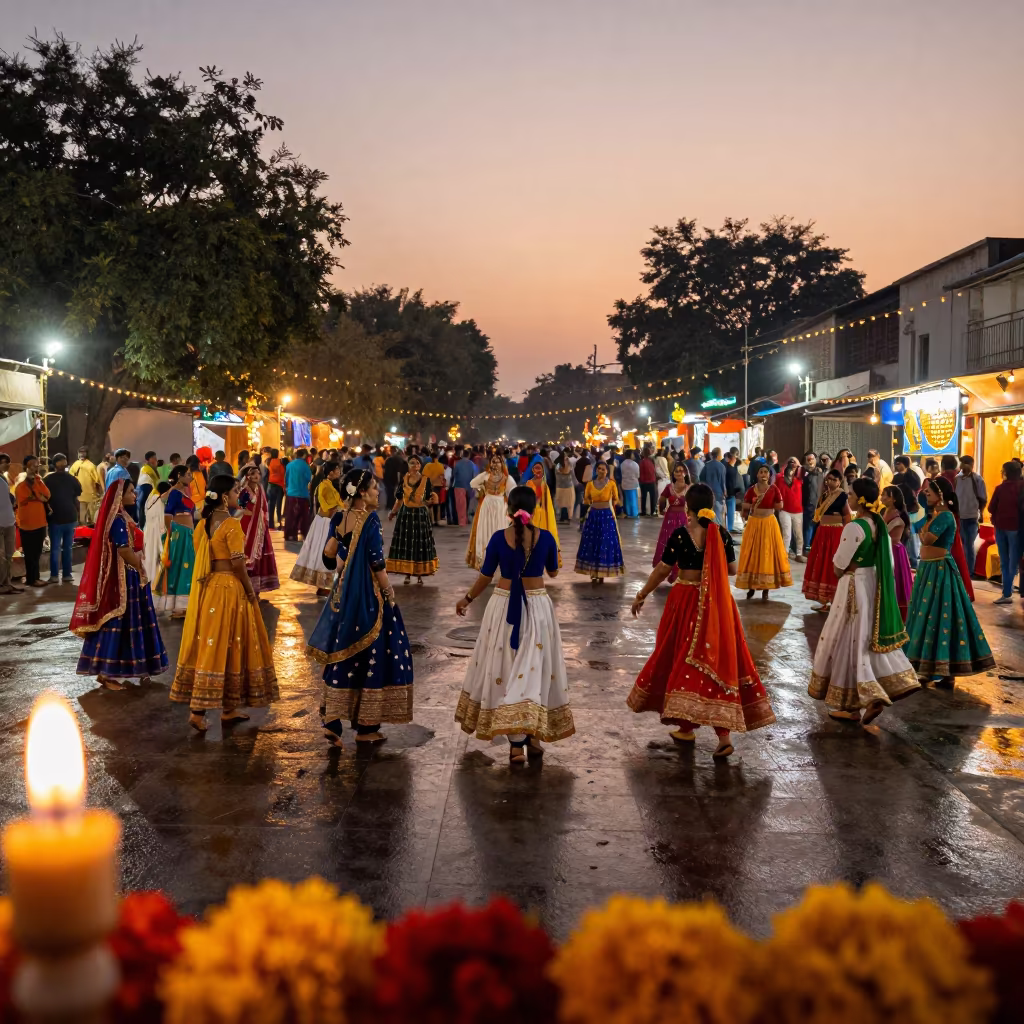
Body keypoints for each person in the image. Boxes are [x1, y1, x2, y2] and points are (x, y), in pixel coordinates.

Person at [628, 483, 776, 758]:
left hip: (684, 600)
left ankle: (686, 727)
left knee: (681, 657)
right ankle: (721, 735)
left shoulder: (680, 535)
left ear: (688, 508)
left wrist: (642, 594)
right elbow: (732, 570)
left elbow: (663, 569)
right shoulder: (720, 534)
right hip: (717, 603)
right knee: (717, 660)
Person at [455, 485, 574, 762]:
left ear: (508, 509)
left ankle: (515, 744)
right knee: (537, 667)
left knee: (506, 667)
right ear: (533, 510)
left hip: (503, 604)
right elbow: (554, 572)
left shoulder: (498, 538)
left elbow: (485, 576)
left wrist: (467, 599)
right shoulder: (545, 538)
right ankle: (532, 736)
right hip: (537, 607)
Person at [307, 469, 412, 749]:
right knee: (373, 655)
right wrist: (389, 593)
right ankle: (366, 727)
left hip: (343, 596)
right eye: (374, 488)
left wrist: (343, 559)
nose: (378, 492)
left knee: (343, 653)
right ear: (362, 493)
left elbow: (330, 558)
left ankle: (332, 719)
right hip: (368, 596)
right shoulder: (371, 520)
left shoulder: (339, 518)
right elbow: (377, 563)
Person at [170, 476, 279, 732]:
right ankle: (202, 712)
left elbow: (203, 556)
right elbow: (239, 563)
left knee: (213, 642)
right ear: (223, 497)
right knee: (232, 642)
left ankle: (224, 709)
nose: (236, 496)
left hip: (209, 589)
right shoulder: (231, 525)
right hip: (229, 588)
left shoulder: (203, 524)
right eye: (233, 492)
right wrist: (250, 590)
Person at [808, 478, 919, 724]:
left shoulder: (854, 527)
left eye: (850, 494)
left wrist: (848, 568)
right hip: (872, 586)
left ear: (859, 499)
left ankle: (865, 699)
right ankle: (863, 699)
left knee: (849, 640)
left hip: (852, 587)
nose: (848, 498)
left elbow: (838, 567)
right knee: (867, 638)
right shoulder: (879, 524)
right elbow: (887, 564)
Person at [69, 479, 168, 691]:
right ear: (119, 496)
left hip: (129, 577)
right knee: (118, 623)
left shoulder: (123, 517)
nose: (134, 495)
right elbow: (123, 550)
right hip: (124, 580)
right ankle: (107, 674)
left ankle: (119, 670)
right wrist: (140, 567)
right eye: (131, 492)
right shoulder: (118, 520)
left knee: (128, 625)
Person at [904, 476, 994, 687]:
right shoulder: (937, 515)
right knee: (926, 617)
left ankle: (939, 671)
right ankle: (933, 670)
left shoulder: (945, 517)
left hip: (939, 571)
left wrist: (926, 522)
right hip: (928, 569)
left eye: (929, 493)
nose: (925, 496)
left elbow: (926, 539)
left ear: (941, 495)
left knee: (938, 618)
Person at [736, 465, 791, 601]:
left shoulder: (774, 489)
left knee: (767, 553)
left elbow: (780, 505)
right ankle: (751, 587)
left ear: (769, 475)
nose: (763, 474)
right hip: (754, 522)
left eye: (766, 472)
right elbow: (744, 505)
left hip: (768, 523)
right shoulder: (751, 490)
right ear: (757, 475)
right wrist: (752, 504)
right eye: (761, 472)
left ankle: (766, 588)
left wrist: (770, 503)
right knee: (753, 553)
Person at [290, 460, 342, 593]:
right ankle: (322, 584)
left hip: (328, 520)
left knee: (326, 551)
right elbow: (325, 505)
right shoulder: (324, 486)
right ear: (330, 472)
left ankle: (325, 584)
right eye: (337, 469)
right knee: (324, 551)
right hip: (325, 521)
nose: (339, 472)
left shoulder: (330, 485)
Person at [387, 454, 439, 584]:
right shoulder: (403, 480)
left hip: (420, 516)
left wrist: (432, 500)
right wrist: (393, 512)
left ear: (420, 465)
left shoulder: (425, 480)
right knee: (407, 544)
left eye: (417, 463)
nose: (414, 465)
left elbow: (428, 500)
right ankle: (407, 575)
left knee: (419, 544)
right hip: (405, 515)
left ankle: (420, 575)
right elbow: (399, 499)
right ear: (408, 465)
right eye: (412, 463)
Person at [802, 468, 850, 611]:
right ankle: (824, 600)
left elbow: (847, 516)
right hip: (823, 532)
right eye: (828, 479)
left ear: (840, 481)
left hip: (835, 532)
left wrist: (845, 533)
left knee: (831, 563)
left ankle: (834, 600)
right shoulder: (824, 496)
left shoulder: (842, 496)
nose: (830, 482)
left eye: (834, 479)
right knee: (821, 563)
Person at [155, 464, 195, 617]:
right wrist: (172, 533)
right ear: (180, 475)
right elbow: (168, 514)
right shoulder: (175, 493)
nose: (191, 477)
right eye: (188, 474)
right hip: (179, 534)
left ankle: (183, 605)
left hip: (188, 533)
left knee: (187, 566)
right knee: (179, 566)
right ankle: (177, 607)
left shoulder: (184, 493)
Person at [575, 460, 624, 582]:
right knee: (593, 542)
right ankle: (593, 571)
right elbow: (586, 500)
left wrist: (612, 512)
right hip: (593, 516)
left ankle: (602, 572)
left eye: (603, 469)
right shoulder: (590, 484)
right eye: (599, 469)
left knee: (605, 543)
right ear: (596, 470)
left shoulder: (611, 484)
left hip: (607, 516)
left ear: (607, 471)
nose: (601, 471)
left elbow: (616, 499)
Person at [466, 454, 515, 570]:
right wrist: (481, 489)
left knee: (499, 530)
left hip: (500, 506)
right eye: (493, 461)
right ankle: (485, 561)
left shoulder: (507, 478)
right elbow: (473, 483)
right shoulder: (485, 475)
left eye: (498, 462)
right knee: (486, 531)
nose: (495, 464)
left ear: (502, 464)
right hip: (487, 505)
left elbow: (512, 491)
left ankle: (500, 562)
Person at [238, 464, 280, 595]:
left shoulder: (260, 488)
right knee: (247, 552)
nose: (256, 476)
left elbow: (265, 507)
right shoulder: (244, 490)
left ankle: (256, 587)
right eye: (253, 473)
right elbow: (240, 508)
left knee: (260, 553)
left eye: (258, 473)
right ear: (247, 476)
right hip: (247, 526)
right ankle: (245, 586)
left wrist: (265, 521)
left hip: (260, 526)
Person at [988, 461, 1024, 605]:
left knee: (1005, 561)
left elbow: (991, 508)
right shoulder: (1022, 487)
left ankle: (1007, 593)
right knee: (1014, 562)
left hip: (1000, 527)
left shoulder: (1000, 488)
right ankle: (1011, 590)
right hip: (1017, 528)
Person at [44, 453, 81, 584]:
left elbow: (44, 499)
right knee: (67, 547)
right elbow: (77, 497)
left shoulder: (47, 480)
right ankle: (67, 574)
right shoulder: (72, 479)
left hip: (55, 518)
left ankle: (54, 575)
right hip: (70, 517)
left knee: (55, 548)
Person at [15, 455, 50, 588]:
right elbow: (24, 496)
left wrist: (37, 494)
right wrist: (37, 496)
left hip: (40, 522)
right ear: (26, 466)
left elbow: (47, 495)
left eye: (37, 464)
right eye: (33, 464)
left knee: (37, 552)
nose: (36, 466)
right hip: (27, 523)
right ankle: (32, 579)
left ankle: (35, 578)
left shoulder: (38, 480)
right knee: (30, 553)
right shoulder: (21, 482)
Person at [653, 463, 691, 583]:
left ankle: (678, 572)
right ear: (673, 474)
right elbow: (662, 500)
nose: (679, 473)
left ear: (685, 472)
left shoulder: (689, 488)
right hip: (669, 518)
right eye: (676, 471)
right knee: (669, 542)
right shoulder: (669, 487)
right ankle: (666, 570)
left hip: (683, 518)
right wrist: (661, 509)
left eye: (681, 471)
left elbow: (693, 504)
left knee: (682, 544)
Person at [881, 485, 914, 622]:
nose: (882, 497)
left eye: (885, 495)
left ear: (893, 499)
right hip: (885, 548)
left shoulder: (898, 516)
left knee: (896, 582)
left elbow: (883, 532)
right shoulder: (884, 511)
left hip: (894, 551)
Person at [954, 455, 987, 578]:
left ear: (971, 465)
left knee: (969, 544)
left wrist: (980, 513)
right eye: (962, 463)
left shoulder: (977, 479)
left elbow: (983, 499)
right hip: (959, 517)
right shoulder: (957, 479)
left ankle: (969, 572)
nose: (962, 466)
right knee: (961, 544)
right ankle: (963, 570)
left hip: (972, 517)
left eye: (965, 463)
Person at [525, 460, 562, 564]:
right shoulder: (529, 483)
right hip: (531, 514)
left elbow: (548, 503)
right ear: (532, 470)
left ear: (543, 470)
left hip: (543, 514)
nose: (538, 470)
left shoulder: (544, 485)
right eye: (536, 468)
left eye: (539, 468)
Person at [775, 458, 805, 562]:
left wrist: (797, 464)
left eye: (794, 463)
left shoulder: (800, 477)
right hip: (784, 510)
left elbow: (803, 469)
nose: (792, 465)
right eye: (790, 462)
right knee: (787, 533)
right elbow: (775, 490)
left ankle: (799, 554)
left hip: (798, 510)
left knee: (798, 534)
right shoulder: (780, 478)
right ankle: (784, 554)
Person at [143, 481, 170, 588]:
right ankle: (154, 581)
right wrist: (165, 533)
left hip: (147, 531)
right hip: (156, 534)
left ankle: (147, 577)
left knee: (148, 555)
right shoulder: (159, 503)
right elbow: (161, 522)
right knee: (156, 556)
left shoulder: (150, 500)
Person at [0, 454, 20, 595]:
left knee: (8, 555)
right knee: (1, 557)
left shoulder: (4, 479)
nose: (7, 465)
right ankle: (2, 584)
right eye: (4, 462)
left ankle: (7, 583)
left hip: (8, 522)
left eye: (8, 462)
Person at [284, 448, 313, 541]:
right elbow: (309, 479)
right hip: (302, 494)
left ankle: (290, 534)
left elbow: (286, 479)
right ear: (304, 455)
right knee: (303, 516)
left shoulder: (289, 465)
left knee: (291, 516)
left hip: (291, 494)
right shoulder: (305, 466)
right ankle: (304, 533)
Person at [69, 446, 104, 525]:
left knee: (83, 518)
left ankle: (84, 533)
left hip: (83, 496)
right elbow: (97, 481)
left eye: (83, 452)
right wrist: (101, 492)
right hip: (89, 496)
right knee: (92, 518)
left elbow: (70, 478)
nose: (82, 454)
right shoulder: (90, 465)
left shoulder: (76, 465)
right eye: (81, 452)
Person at [699, 448, 727, 527]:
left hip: (707, 493)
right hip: (718, 494)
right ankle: (718, 532)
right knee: (718, 515)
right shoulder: (722, 466)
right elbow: (722, 482)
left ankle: (708, 531)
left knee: (707, 514)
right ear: (719, 455)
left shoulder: (706, 465)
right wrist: (724, 492)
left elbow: (701, 478)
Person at [801, 452, 823, 554]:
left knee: (815, 526)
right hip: (807, 504)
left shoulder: (820, 472)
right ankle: (807, 547)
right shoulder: (802, 472)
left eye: (812, 459)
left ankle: (812, 546)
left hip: (818, 503)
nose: (810, 461)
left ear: (816, 460)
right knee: (808, 526)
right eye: (808, 459)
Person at [451, 448, 477, 526]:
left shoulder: (457, 463)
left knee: (460, 504)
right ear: (468, 455)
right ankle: (468, 519)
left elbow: (454, 474)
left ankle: (462, 521)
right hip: (469, 486)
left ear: (462, 455)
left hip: (459, 485)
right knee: (468, 503)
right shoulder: (472, 464)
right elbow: (475, 475)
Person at [137, 452, 160, 529]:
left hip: (150, 491)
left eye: (155, 458)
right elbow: (145, 484)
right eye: (153, 458)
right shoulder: (146, 470)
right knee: (144, 508)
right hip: (146, 490)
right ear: (147, 460)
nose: (155, 460)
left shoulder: (151, 470)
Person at [422, 452, 446, 526]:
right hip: (438, 487)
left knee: (429, 504)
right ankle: (437, 519)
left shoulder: (428, 466)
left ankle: (431, 520)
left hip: (430, 486)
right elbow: (442, 476)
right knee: (437, 504)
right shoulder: (441, 466)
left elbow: (424, 476)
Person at [265, 448, 286, 528]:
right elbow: (283, 473)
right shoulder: (280, 462)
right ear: (277, 454)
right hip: (279, 485)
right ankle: (279, 522)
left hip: (271, 484)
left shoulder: (268, 461)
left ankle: (271, 523)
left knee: (271, 504)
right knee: (279, 504)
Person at [723, 451, 743, 534]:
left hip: (733, 491)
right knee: (730, 510)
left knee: (731, 510)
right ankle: (729, 528)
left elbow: (740, 461)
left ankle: (730, 527)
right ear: (731, 459)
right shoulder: (727, 468)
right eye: (734, 457)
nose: (735, 459)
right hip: (729, 491)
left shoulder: (733, 467)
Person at [554, 451, 576, 522]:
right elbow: (567, 472)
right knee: (568, 503)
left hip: (560, 486)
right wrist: (567, 463)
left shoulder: (557, 465)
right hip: (568, 486)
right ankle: (567, 517)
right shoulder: (566, 465)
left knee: (563, 502)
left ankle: (563, 517)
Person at [619, 450, 640, 518]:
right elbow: (637, 475)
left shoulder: (622, 464)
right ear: (631, 455)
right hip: (633, 484)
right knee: (633, 499)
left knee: (627, 499)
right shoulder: (635, 464)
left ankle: (628, 513)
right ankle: (634, 513)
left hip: (625, 484)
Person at [637, 449, 658, 517]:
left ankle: (643, 511)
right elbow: (654, 471)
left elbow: (639, 472)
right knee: (653, 497)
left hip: (643, 482)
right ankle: (652, 511)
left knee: (644, 497)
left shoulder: (641, 462)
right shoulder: (652, 461)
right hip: (652, 481)